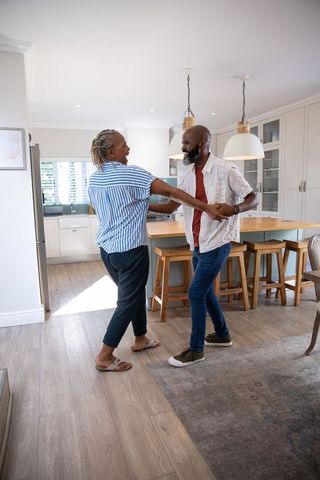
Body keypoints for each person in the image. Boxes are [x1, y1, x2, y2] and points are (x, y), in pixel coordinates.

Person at [88, 129, 227, 372]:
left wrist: (138, 203)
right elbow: (172, 193)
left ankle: (140, 339)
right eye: (124, 146)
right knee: (126, 302)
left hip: (107, 251)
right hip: (131, 250)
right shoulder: (133, 174)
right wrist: (206, 207)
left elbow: (107, 206)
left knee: (134, 295)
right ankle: (105, 355)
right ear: (111, 151)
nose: (128, 149)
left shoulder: (95, 178)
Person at [149, 125, 258, 367]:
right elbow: (170, 207)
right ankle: (222, 334)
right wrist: (142, 206)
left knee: (196, 292)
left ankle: (196, 349)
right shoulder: (186, 176)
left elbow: (253, 197)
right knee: (206, 291)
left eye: (186, 143)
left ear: (201, 144)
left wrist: (235, 208)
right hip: (197, 243)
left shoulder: (225, 169)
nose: (182, 147)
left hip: (218, 241)